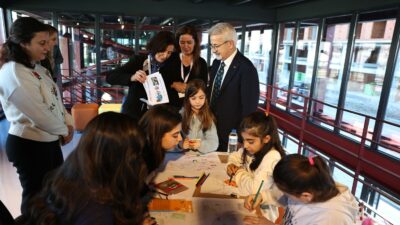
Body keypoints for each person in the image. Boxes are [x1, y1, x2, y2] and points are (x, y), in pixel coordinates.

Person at [24, 112, 154, 225]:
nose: (140, 161)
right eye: (136, 155)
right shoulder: (96, 210)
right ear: (119, 159)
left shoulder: (72, 173)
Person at [0, 17, 73, 214]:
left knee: (52, 191)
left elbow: (55, 100)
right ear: (23, 43)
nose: (48, 48)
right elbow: (38, 113)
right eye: (42, 43)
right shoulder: (13, 72)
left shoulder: (36, 67)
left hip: (48, 140)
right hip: (29, 143)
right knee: (35, 197)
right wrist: (64, 129)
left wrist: (69, 122)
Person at [243, 154, 358, 225]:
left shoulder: (331, 218)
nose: (283, 194)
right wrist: (262, 196)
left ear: (306, 196)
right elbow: (284, 195)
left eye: (286, 193)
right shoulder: (311, 186)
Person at [207, 22, 259, 151]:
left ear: (230, 44)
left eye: (216, 46)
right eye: (211, 46)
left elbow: (249, 108)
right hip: (211, 131)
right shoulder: (216, 63)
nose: (213, 50)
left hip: (231, 136)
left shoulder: (246, 69)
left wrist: (242, 139)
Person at [226, 112, 285, 221]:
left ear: (266, 139)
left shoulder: (272, 157)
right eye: (243, 140)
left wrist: (239, 172)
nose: (245, 145)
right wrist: (231, 164)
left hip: (263, 215)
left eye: (250, 141)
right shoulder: (255, 147)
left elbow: (254, 190)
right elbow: (236, 155)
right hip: (247, 202)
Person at [106, 31, 175, 120]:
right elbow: (110, 77)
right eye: (162, 51)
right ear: (155, 47)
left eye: (169, 52)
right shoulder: (139, 61)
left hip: (156, 116)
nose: (165, 55)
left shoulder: (170, 66)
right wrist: (132, 77)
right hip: (134, 114)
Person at [163, 25, 208, 108]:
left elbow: (203, 87)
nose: (186, 46)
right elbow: (161, 81)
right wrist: (173, 84)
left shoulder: (201, 63)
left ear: (195, 42)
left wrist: (189, 88)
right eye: (182, 42)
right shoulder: (170, 58)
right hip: (171, 107)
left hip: (192, 108)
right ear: (178, 43)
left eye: (189, 42)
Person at [139, 104, 183, 177]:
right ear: (157, 134)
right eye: (175, 135)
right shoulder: (139, 161)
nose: (180, 139)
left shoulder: (155, 151)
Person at [181, 79, 218, 154]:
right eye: (193, 98)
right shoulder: (181, 115)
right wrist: (180, 145)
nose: (197, 101)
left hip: (201, 158)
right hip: (182, 156)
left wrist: (200, 145)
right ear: (188, 99)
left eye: (201, 98)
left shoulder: (208, 117)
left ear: (206, 98)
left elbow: (214, 143)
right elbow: (169, 141)